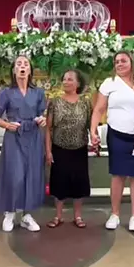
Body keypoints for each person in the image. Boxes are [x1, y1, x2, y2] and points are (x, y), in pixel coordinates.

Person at [90, 51, 134, 231]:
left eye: (123, 61)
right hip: (117, 134)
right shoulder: (109, 83)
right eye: (116, 61)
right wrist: (93, 131)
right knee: (118, 175)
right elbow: (98, 109)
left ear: (132, 62)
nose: (119, 64)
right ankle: (115, 214)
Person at [0, 55, 47, 232]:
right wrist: (7, 125)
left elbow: (42, 114)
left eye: (25, 64)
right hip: (14, 136)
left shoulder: (38, 93)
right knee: (14, 175)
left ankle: (26, 215)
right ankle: (9, 212)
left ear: (30, 70)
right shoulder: (6, 93)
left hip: (33, 136)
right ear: (14, 70)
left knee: (31, 175)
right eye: (19, 64)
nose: (22, 66)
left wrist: (42, 120)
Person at [45, 69, 92, 228]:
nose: (66, 82)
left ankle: (78, 216)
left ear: (78, 83)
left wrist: (95, 139)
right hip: (59, 148)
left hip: (80, 148)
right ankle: (58, 216)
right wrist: (48, 151)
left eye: (70, 79)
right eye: (64, 79)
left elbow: (90, 125)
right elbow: (48, 128)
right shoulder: (55, 102)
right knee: (59, 182)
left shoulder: (85, 102)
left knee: (79, 182)